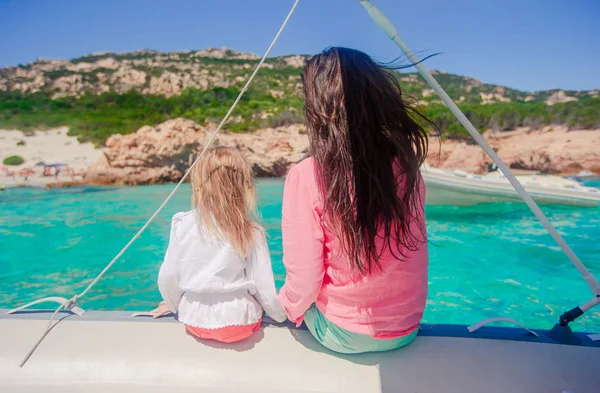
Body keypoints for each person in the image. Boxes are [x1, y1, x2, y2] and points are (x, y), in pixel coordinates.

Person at [278, 47, 430, 354]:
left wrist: (281, 307)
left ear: (318, 108)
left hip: (342, 332)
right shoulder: (407, 167)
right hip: (407, 327)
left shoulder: (307, 175)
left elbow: (305, 282)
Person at [151, 146, 286, 343]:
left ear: (198, 184)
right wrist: (281, 316)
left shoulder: (181, 223)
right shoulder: (252, 231)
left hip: (195, 321)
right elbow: (263, 286)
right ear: (244, 185)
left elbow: (169, 275)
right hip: (240, 321)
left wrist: (172, 304)